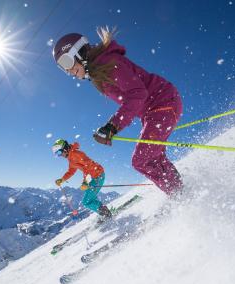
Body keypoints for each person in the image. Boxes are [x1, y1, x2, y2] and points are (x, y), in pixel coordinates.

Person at [52, 27, 183, 197]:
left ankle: (179, 195)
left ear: (78, 52)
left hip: (163, 103)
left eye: (66, 63)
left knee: (141, 160)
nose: (68, 71)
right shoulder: (100, 70)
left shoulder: (108, 62)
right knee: (153, 157)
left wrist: (113, 125)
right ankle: (179, 190)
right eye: (63, 68)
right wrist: (111, 126)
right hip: (154, 110)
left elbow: (138, 93)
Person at [52, 139, 112, 218]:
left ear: (64, 148)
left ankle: (106, 214)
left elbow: (88, 167)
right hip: (94, 176)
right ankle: (104, 213)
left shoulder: (76, 154)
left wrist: (85, 182)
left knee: (86, 202)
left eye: (59, 152)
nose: (60, 155)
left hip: (97, 175)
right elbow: (71, 171)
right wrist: (62, 179)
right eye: (57, 154)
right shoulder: (70, 158)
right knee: (90, 198)